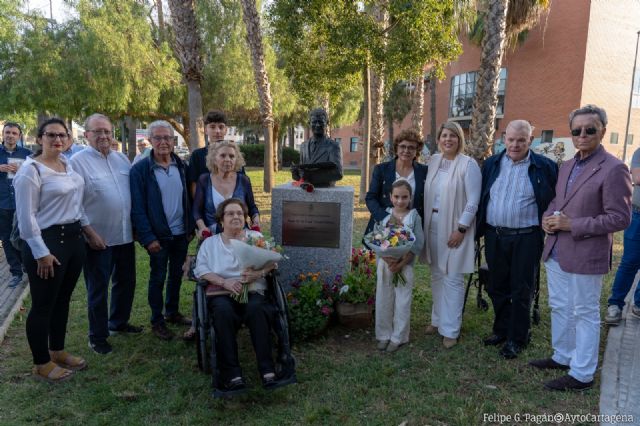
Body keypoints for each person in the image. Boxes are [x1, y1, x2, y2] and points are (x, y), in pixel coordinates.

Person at [529, 105, 632, 391]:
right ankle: (563, 356)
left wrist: (571, 224)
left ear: (602, 130)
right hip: (557, 251)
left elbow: (620, 218)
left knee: (584, 313)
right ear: (571, 133)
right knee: (560, 306)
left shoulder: (614, 168)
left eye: (590, 129)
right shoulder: (567, 165)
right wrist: (547, 219)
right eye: (577, 130)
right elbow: (556, 202)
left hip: (586, 253)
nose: (582, 134)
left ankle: (583, 374)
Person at [14, 118, 102, 383]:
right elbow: (26, 219)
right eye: (51, 135)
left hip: (74, 240)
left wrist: (89, 232)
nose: (57, 140)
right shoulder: (30, 171)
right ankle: (41, 362)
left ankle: (57, 350)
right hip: (47, 243)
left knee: (62, 300)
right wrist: (41, 252)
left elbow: (77, 207)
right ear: (40, 138)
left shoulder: (68, 165)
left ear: (69, 139)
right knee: (43, 304)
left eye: (62, 135)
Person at [476, 120, 558, 359]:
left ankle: (518, 337)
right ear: (504, 138)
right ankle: (501, 330)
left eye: (521, 140)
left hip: (527, 237)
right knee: (497, 285)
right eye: (511, 139)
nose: (515, 144)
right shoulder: (492, 164)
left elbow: (556, 200)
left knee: (521, 288)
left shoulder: (545, 166)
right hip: (495, 235)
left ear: (530, 141)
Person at [70, 113, 142, 355]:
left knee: (126, 282)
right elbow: (74, 203)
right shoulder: (77, 162)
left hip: (124, 235)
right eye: (97, 131)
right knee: (98, 288)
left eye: (107, 132)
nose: (103, 136)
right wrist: (89, 232)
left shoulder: (122, 159)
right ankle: (97, 337)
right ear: (87, 134)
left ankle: (118, 322)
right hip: (97, 239)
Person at [192, 198, 279, 392]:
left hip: (253, 288)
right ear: (221, 219)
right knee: (222, 313)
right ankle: (232, 374)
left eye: (240, 213)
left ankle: (267, 369)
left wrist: (257, 274)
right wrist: (224, 281)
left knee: (258, 309)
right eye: (230, 213)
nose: (236, 217)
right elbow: (201, 269)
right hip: (222, 291)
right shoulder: (210, 244)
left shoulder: (255, 238)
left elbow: (273, 263)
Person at [130, 120, 194, 341]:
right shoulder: (140, 170)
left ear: (173, 140)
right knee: (158, 278)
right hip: (157, 237)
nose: (164, 142)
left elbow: (190, 199)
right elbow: (137, 208)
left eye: (168, 137)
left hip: (180, 234)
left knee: (176, 275)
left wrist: (190, 228)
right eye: (158, 138)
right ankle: (157, 321)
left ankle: (172, 312)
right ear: (150, 141)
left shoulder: (182, 166)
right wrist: (148, 238)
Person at [421, 121, 481, 349]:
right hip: (433, 224)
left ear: (459, 140)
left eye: (453, 136)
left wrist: (461, 228)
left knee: (453, 278)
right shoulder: (434, 161)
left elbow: (473, 200)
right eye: (444, 135)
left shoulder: (468, 164)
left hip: (456, 227)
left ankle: (451, 329)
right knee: (437, 275)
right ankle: (437, 320)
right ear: (438, 139)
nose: (448, 140)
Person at [375, 179, 424, 353]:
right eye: (396, 197)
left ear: (410, 197)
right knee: (384, 298)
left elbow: (417, 243)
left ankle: (398, 336)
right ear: (390, 196)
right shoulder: (386, 214)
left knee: (402, 301)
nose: (400, 201)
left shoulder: (414, 216)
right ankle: (383, 334)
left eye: (404, 197)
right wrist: (389, 260)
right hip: (386, 264)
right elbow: (377, 238)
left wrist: (402, 262)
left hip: (405, 265)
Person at [365, 129, 428, 236]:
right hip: (384, 228)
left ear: (417, 150)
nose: (406, 150)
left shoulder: (424, 171)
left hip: (412, 229)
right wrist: (386, 218)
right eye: (403, 146)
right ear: (396, 148)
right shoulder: (381, 169)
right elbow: (370, 198)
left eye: (411, 147)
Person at [193, 140, 259, 239]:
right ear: (214, 159)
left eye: (232, 156)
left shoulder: (244, 180)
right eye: (223, 156)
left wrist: (256, 220)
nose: (227, 159)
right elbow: (196, 210)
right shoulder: (204, 180)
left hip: (239, 236)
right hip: (211, 236)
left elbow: (252, 207)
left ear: (236, 160)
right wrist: (202, 227)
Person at [605, 145, 640, 325]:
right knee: (629, 262)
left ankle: (639, 304)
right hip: (638, 216)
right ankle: (615, 305)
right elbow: (637, 178)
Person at [0, 122, 31, 288]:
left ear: (19, 136)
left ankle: (26, 264)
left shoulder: (27, 154)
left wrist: (23, 171)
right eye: (7, 132)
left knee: (22, 236)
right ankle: (16, 272)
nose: (10, 135)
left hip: (22, 202)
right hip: (2, 203)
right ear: (3, 134)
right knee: (6, 238)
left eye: (14, 133)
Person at [292, 108, 343, 187]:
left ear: (327, 123)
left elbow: (338, 173)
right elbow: (303, 172)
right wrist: (296, 174)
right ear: (309, 123)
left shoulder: (333, 146)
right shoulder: (303, 146)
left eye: (321, 122)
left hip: (325, 187)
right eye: (314, 122)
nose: (318, 125)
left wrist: (310, 176)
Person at [187, 110, 230, 196]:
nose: (217, 131)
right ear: (206, 130)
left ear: (226, 130)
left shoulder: (234, 155)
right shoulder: (197, 155)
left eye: (221, 127)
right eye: (212, 127)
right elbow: (194, 186)